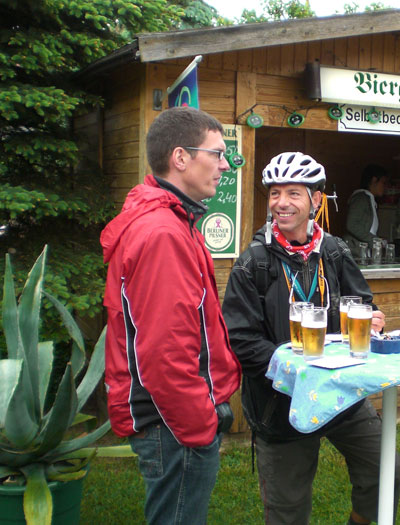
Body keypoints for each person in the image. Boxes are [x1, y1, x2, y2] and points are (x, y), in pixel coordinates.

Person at [222, 151, 400, 525]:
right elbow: (240, 338)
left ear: (316, 200)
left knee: (386, 470)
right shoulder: (253, 262)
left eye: (293, 193)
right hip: (281, 403)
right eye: (275, 193)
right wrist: (293, 367)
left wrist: (369, 320)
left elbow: (360, 302)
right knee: (288, 511)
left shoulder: (334, 251)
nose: (281, 203)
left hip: (340, 393)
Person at [100, 106, 242, 525]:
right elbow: (165, 352)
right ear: (180, 157)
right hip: (174, 425)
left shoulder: (173, 221)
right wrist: (199, 427)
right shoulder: (163, 232)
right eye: (217, 154)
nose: (224, 166)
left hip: (172, 420)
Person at [343, 163, 389, 259]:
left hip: (362, 252)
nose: (385, 187)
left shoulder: (369, 199)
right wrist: (374, 240)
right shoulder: (361, 198)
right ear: (374, 180)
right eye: (383, 183)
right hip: (356, 251)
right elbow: (352, 224)